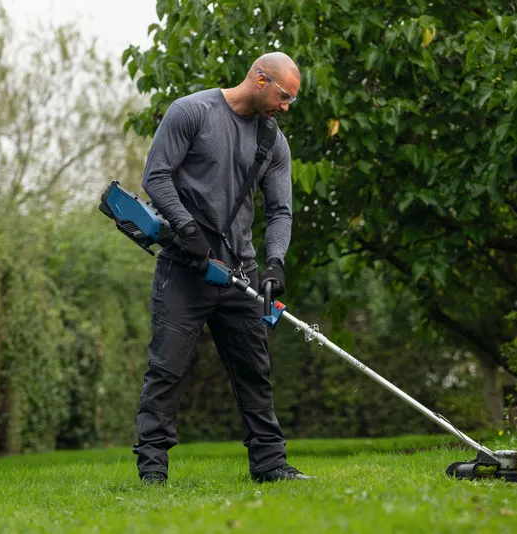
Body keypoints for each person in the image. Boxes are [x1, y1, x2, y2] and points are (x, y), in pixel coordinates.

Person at [133, 52, 312, 485]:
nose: (285, 107)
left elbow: (282, 211)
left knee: (255, 371)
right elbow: (155, 177)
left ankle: (270, 465)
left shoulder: (274, 142)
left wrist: (274, 264)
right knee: (166, 370)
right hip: (184, 268)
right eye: (284, 96)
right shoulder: (191, 112)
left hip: (240, 273)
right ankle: (153, 470)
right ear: (260, 78)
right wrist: (186, 226)